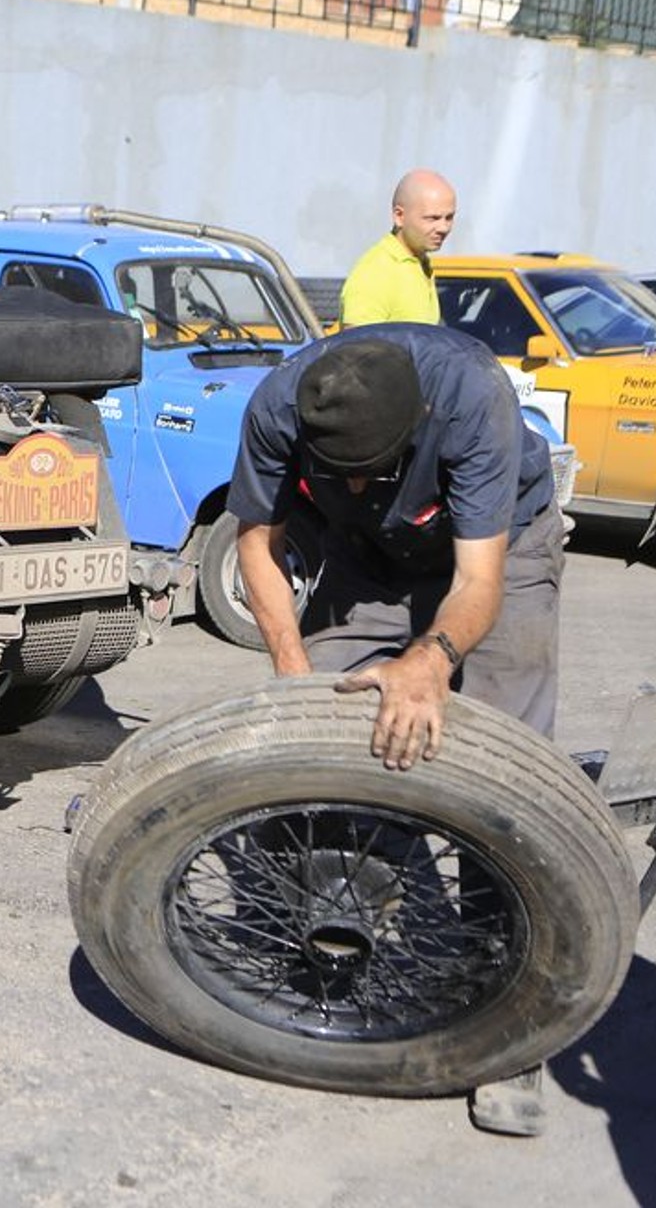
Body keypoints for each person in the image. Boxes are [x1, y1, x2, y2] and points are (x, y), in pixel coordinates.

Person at [226, 323, 564, 1136]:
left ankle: (513, 1025)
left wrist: (431, 660)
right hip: (366, 557)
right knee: (319, 730)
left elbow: (477, 579)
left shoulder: (469, 400)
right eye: (337, 473)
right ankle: (337, 929)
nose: (354, 481)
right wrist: (290, 673)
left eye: (369, 471)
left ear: (412, 435)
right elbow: (257, 542)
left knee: (502, 766)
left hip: (497, 550)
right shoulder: (282, 404)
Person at [339, 169, 456, 328]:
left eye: (449, 218)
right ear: (399, 216)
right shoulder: (376, 271)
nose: (443, 227)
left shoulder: (420, 263)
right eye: (432, 218)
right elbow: (357, 348)